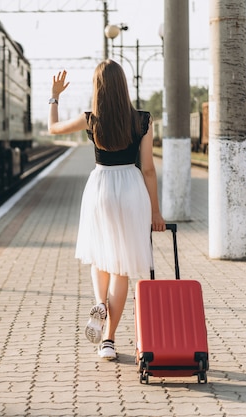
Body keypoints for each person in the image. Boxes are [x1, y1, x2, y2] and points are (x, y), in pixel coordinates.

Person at [47, 60, 166, 360]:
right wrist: (155, 212)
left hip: (100, 189)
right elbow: (149, 169)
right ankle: (109, 341)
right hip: (131, 188)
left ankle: (100, 302)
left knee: (99, 257)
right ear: (123, 85)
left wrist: (54, 96)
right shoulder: (142, 120)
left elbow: (52, 128)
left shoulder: (90, 119)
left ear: (97, 89)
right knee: (121, 268)